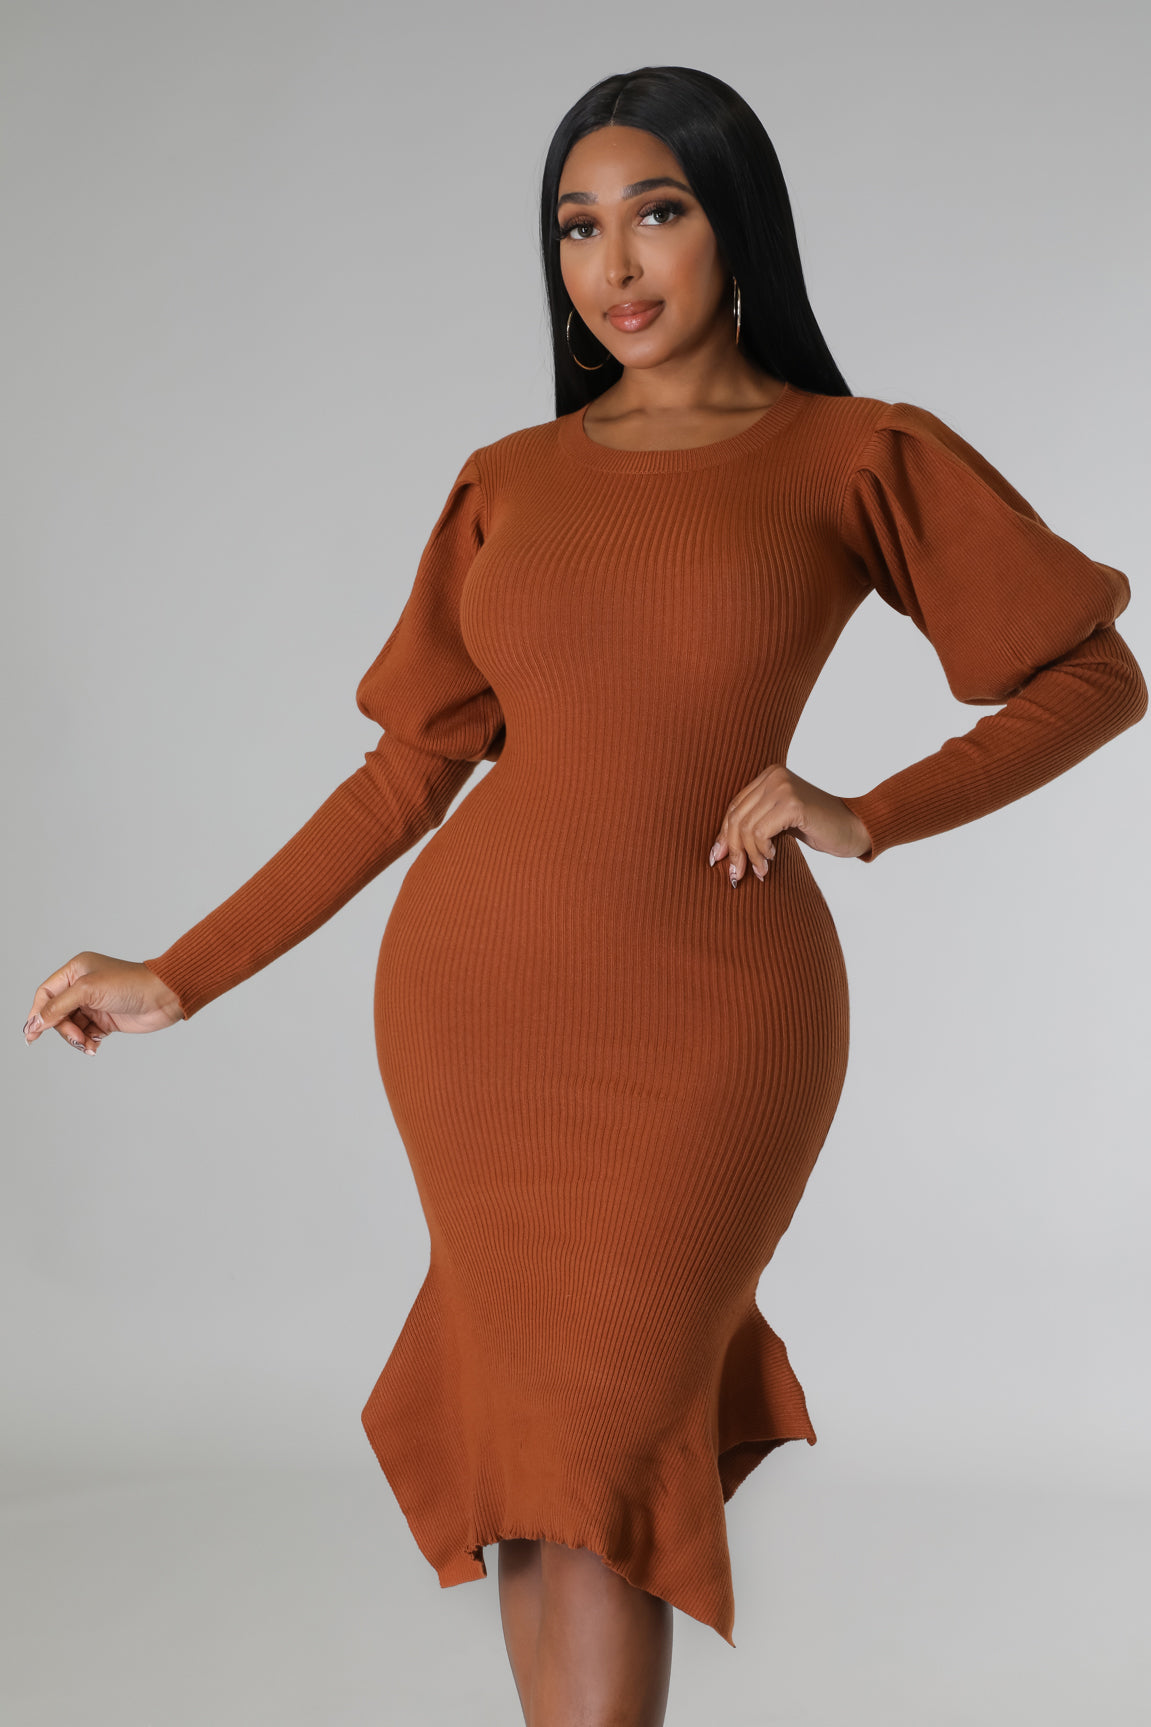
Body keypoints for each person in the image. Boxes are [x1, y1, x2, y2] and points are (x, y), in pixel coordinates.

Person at [22, 64, 1146, 1727]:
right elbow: (406, 776)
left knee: (612, 1443)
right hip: (479, 1017)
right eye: (576, 226)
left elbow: (1093, 676)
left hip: (712, 1018)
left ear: (735, 223)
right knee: (540, 1471)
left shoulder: (853, 453)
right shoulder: (509, 479)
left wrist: (869, 813)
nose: (613, 264)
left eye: (657, 213)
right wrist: (179, 974)